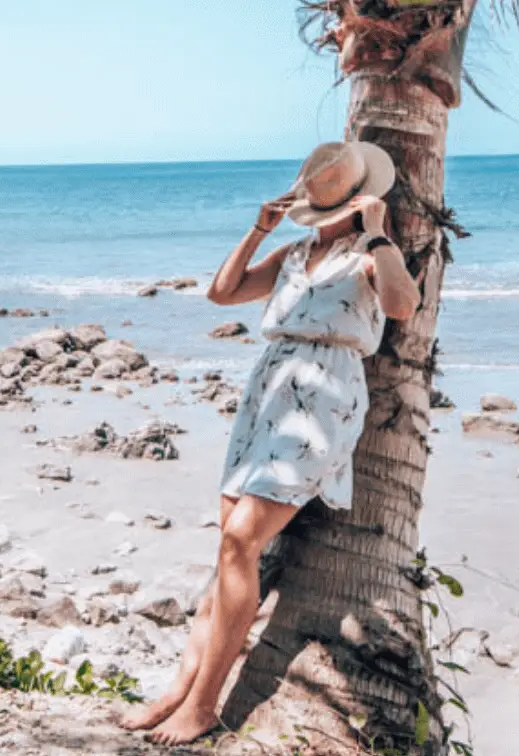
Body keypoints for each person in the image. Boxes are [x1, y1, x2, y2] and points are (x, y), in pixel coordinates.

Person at [120, 141, 422, 746]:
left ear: (362, 200)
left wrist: (380, 234)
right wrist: (257, 231)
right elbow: (224, 293)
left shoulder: (369, 256)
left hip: (325, 395)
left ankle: (204, 705)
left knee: (240, 540)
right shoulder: (294, 252)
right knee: (229, 550)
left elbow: (403, 305)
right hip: (268, 395)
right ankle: (180, 687)